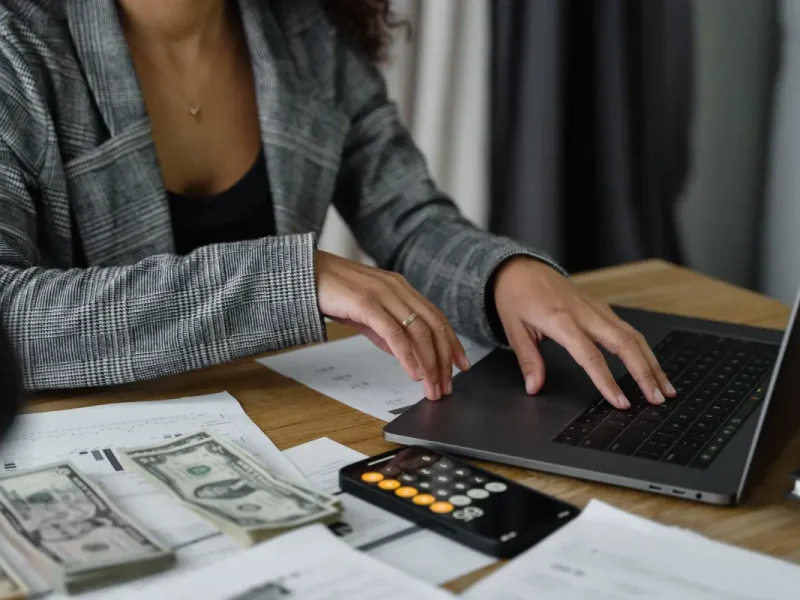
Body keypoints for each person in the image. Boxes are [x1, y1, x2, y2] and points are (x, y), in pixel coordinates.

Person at [0, 0, 675, 410]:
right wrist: (292, 279)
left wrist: (505, 275)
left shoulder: (309, 34)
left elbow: (410, 219)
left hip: (277, 423)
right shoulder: (17, 47)